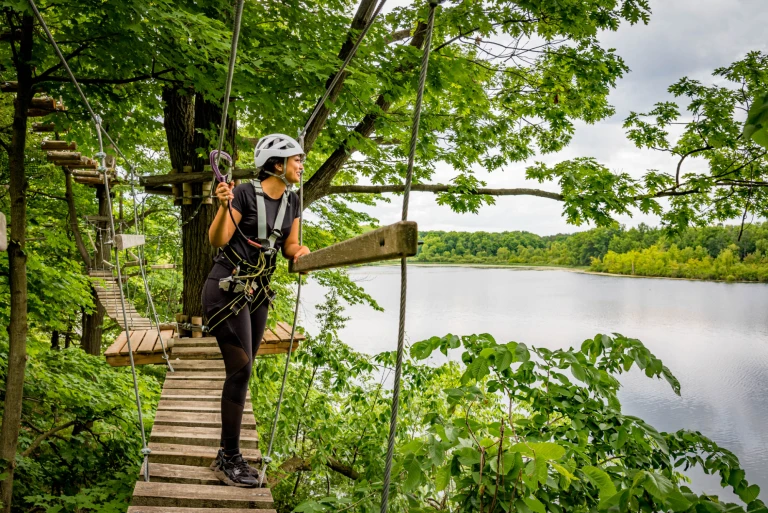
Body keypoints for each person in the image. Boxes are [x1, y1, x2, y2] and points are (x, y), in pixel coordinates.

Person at [203, 133, 310, 487]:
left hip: (257, 293)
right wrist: (222, 207)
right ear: (277, 164)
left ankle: (228, 456)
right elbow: (218, 240)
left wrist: (300, 252)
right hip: (226, 289)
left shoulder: (292, 203)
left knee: (245, 370)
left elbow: (289, 244)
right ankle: (228, 457)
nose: (301, 165)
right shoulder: (246, 194)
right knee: (241, 370)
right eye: (296, 159)